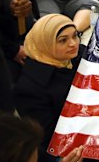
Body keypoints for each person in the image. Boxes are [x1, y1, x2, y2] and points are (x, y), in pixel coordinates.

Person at [13, 14, 83, 162]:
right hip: (70, 149)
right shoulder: (30, 88)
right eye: (63, 40)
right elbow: (45, 140)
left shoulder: (78, 57)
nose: (73, 44)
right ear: (45, 43)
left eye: (75, 36)